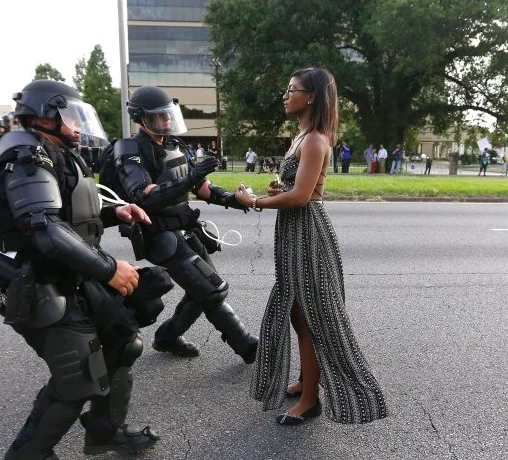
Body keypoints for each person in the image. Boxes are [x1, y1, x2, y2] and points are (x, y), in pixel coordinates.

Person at [0, 79, 160, 460]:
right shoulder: (24, 153)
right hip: (36, 282)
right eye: (71, 116)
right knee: (78, 376)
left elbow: (70, 214)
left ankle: (103, 430)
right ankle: (27, 457)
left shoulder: (53, 151)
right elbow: (44, 229)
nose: (78, 125)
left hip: (69, 275)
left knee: (122, 342)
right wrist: (110, 268)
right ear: (45, 115)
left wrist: (118, 213)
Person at [234, 67, 388, 426]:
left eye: (292, 89)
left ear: (311, 96)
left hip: (308, 234)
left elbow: (303, 197)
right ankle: (307, 380)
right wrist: (277, 191)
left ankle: (310, 400)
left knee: (312, 317)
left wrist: (254, 201)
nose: (286, 95)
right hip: (293, 232)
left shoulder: (316, 139)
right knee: (296, 312)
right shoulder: (301, 137)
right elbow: (294, 190)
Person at [112, 85, 258, 362]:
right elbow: (142, 196)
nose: (166, 121)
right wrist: (189, 180)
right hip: (159, 234)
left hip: (186, 228)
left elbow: (201, 186)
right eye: (159, 116)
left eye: (169, 115)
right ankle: (247, 345)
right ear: (141, 118)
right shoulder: (129, 148)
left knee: (201, 289)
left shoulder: (175, 145)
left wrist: (232, 200)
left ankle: (167, 337)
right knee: (212, 289)